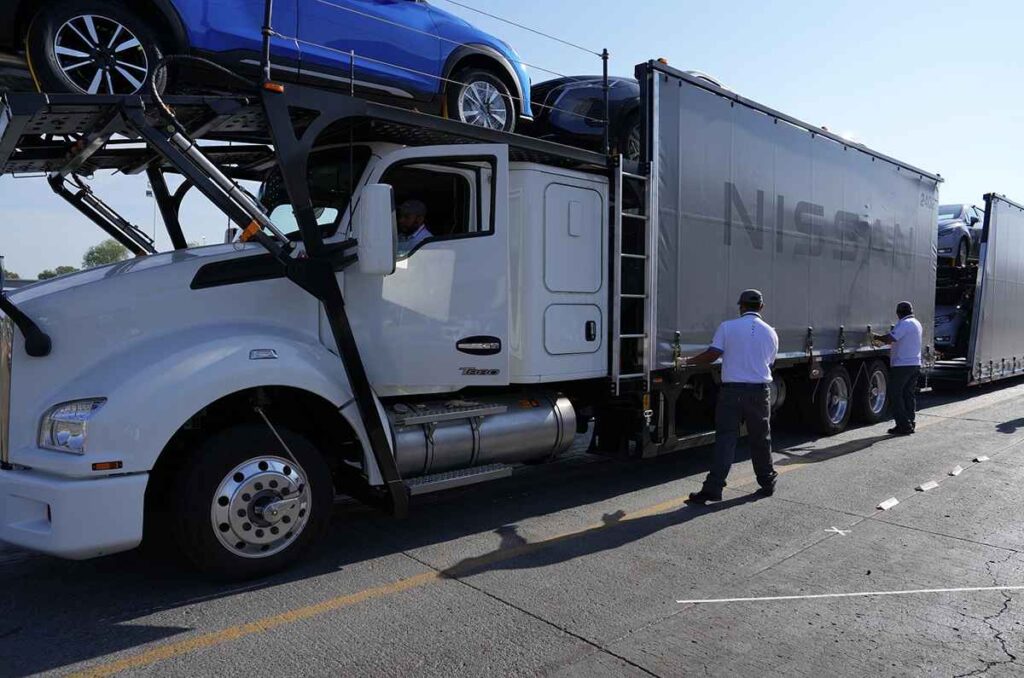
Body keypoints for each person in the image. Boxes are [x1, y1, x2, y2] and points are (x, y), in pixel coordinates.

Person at [680, 289, 780, 504]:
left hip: (732, 392)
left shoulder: (727, 327)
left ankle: (713, 488)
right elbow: (770, 362)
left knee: (726, 439)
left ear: (741, 306)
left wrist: (686, 361)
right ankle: (767, 481)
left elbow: (712, 355)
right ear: (761, 307)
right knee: (761, 438)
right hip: (759, 392)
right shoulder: (771, 332)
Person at [873, 301, 923, 436]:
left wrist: (875, 337)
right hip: (914, 363)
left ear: (898, 313)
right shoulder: (916, 323)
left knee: (895, 394)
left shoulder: (905, 324)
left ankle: (903, 425)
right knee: (908, 394)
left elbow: (891, 338)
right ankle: (910, 422)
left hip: (903, 365)